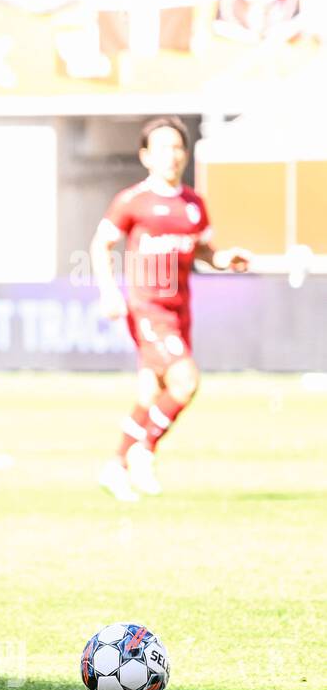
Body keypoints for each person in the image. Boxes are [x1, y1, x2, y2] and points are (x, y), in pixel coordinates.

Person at [92, 116, 251, 501]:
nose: (172, 155)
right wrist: (109, 291)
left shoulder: (194, 205)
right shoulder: (134, 201)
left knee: (150, 393)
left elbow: (200, 249)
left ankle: (115, 467)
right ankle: (143, 451)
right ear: (146, 156)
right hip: (147, 307)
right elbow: (101, 244)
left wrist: (223, 258)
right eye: (163, 147)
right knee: (186, 381)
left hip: (180, 310)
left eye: (178, 147)